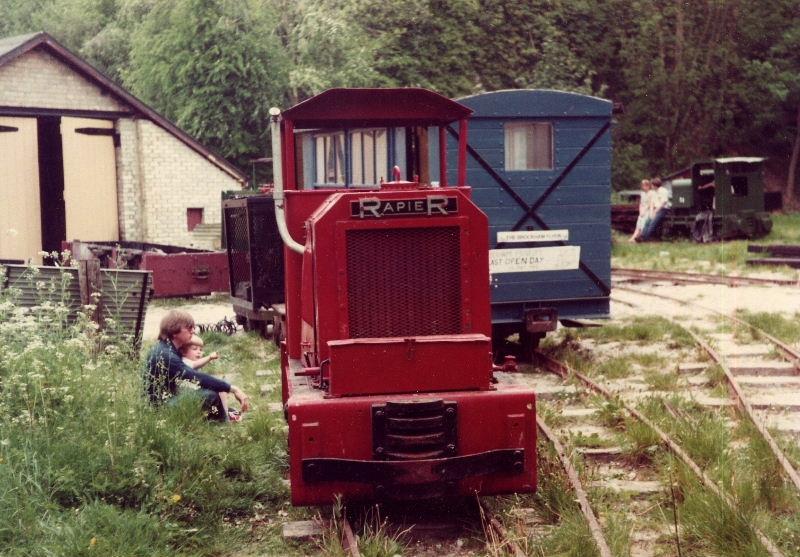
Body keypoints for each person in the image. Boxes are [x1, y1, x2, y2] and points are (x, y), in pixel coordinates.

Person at [144, 309, 250, 422]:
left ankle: (221, 416)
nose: (193, 330)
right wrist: (232, 388)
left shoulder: (166, 347)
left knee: (207, 390)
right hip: (160, 408)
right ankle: (222, 425)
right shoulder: (167, 355)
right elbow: (196, 377)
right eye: (189, 328)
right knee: (210, 395)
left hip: (163, 400)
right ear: (174, 331)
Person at [179, 334, 242, 421]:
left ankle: (224, 412)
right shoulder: (184, 361)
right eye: (194, 349)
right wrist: (209, 357)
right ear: (183, 351)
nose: (199, 352)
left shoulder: (190, 361)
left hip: (195, 392)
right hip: (188, 396)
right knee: (218, 389)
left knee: (220, 386)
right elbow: (194, 365)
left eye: (200, 350)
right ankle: (224, 416)